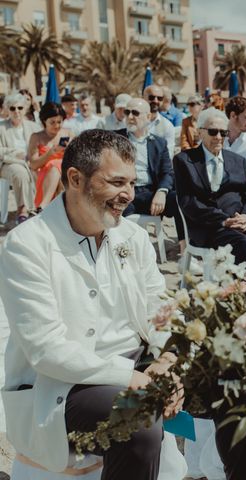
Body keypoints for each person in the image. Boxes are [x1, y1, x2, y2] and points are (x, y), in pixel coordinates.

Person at [0, 129, 182, 479]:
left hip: (139, 365)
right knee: (138, 420)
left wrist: (167, 358)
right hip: (64, 384)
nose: (127, 195)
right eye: (116, 183)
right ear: (74, 179)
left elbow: (161, 309)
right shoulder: (27, 244)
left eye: (131, 183)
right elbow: (46, 349)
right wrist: (132, 378)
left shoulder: (132, 235)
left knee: (234, 379)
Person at [173, 108, 246, 266]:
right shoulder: (184, 161)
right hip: (208, 227)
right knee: (245, 244)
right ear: (200, 132)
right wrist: (224, 220)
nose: (218, 137)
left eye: (223, 133)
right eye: (213, 132)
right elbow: (188, 202)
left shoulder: (238, 161)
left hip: (241, 225)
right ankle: (234, 288)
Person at [116, 98, 185, 253]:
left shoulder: (158, 143)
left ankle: (185, 251)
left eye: (135, 112)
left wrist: (162, 191)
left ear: (148, 117)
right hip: (125, 192)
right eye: (127, 112)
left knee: (178, 198)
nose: (130, 116)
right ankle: (122, 253)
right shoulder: (116, 139)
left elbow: (168, 172)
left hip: (150, 194)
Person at [0, 93, 41, 223]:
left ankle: (41, 207)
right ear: (7, 109)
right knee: (20, 172)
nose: (16, 111)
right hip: (8, 164)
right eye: (12, 108)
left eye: (20, 108)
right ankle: (22, 209)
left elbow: (41, 146)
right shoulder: (1, 127)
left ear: (25, 108)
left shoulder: (33, 127)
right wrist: (15, 153)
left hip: (31, 162)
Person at [27, 102, 73, 209]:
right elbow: (33, 165)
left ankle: (44, 205)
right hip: (44, 175)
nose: (57, 125)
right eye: (52, 122)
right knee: (56, 164)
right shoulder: (36, 137)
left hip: (65, 175)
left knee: (59, 167)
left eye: (59, 122)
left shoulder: (68, 134)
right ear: (44, 121)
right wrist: (51, 153)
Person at [143, 84, 176, 156]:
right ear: (143, 98)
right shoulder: (132, 120)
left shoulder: (168, 126)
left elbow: (168, 155)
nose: (156, 101)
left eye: (159, 98)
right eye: (151, 97)